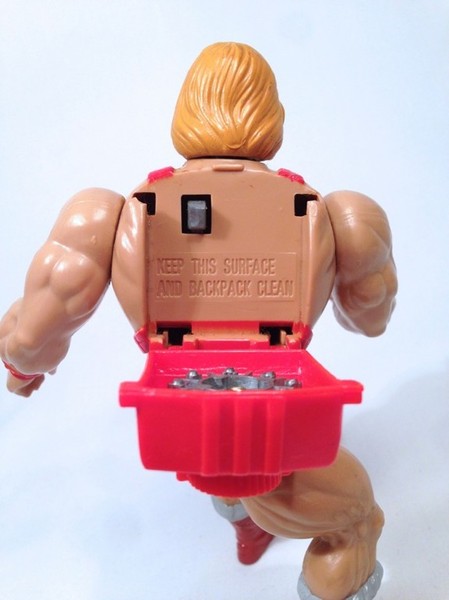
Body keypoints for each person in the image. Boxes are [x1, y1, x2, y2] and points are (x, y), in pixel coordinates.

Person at [0, 43, 397, 600]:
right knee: (357, 522)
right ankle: (265, 521)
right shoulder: (337, 212)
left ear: (184, 112)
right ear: (273, 116)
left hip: (177, 402)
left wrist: (22, 370)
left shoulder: (105, 213)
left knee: (233, 453)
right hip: (270, 408)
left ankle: (245, 519)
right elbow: (370, 320)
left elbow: (31, 336)